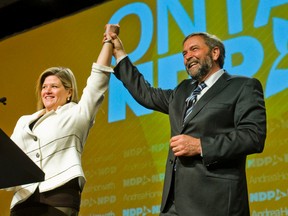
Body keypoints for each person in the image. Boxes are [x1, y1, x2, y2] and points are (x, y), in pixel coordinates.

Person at [107, 29, 267, 215]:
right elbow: (146, 94)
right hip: (174, 204)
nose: (188, 56)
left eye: (194, 49)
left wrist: (200, 146)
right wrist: (119, 54)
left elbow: (253, 136)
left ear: (215, 53)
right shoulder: (183, 90)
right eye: (184, 53)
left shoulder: (243, 86)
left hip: (215, 203)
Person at [6, 24, 119, 216]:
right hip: (23, 199)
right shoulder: (24, 121)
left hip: (59, 196)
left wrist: (108, 41)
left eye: (54, 86)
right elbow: (9, 159)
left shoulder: (76, 113)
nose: (47, 90)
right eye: (44, 87)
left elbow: (97, 80)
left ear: (69, 92)